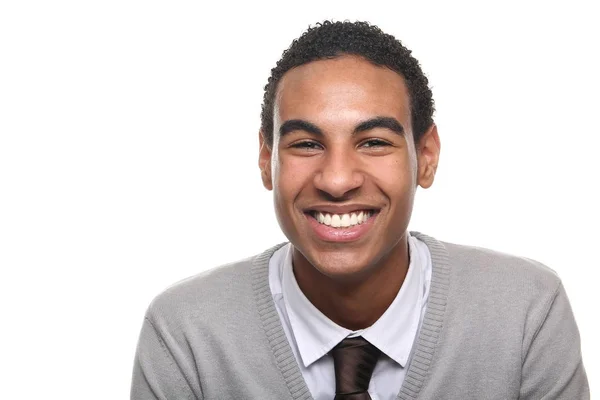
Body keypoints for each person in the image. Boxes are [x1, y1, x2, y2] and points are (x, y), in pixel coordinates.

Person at [130, 20, 589, 400]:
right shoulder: (185, 332)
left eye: (373, 142)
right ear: (266, 160)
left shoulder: (526, 311)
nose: (336, 179)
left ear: (425, 156)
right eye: (306, 144)